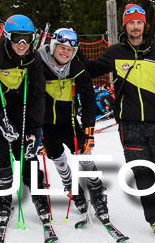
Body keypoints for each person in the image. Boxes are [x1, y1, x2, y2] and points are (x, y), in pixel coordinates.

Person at [85, 3, 155, 243]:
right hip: (129, 126)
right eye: (131, 22)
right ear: (125, 26)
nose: (136, 27)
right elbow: (91, 69)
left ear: (144, 25)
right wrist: (69, 54)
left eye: (139, 22)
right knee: (142, 173)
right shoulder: (115, 51)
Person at [0, 14, 52, 239]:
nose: (22, 44)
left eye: (27, 39)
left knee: (26, 148)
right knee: (2, 144)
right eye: (17, 38)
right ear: (8, 37)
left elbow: (37, 96)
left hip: (17, 106)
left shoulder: (33, 60)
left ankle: (38, 194)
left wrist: (36, 131)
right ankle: (4, 196)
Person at [38, 27, 110, 222]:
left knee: (84, 154)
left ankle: (97, 193)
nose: (65, 52)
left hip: (69, 122)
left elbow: (88, 98)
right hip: (46, 124)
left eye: (70, 50)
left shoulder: (77, 67)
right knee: (57, 158)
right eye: (62, 47)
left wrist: (88, 129)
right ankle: (73, 189)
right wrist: (33, 132)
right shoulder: (38, 65)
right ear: (53, 46)